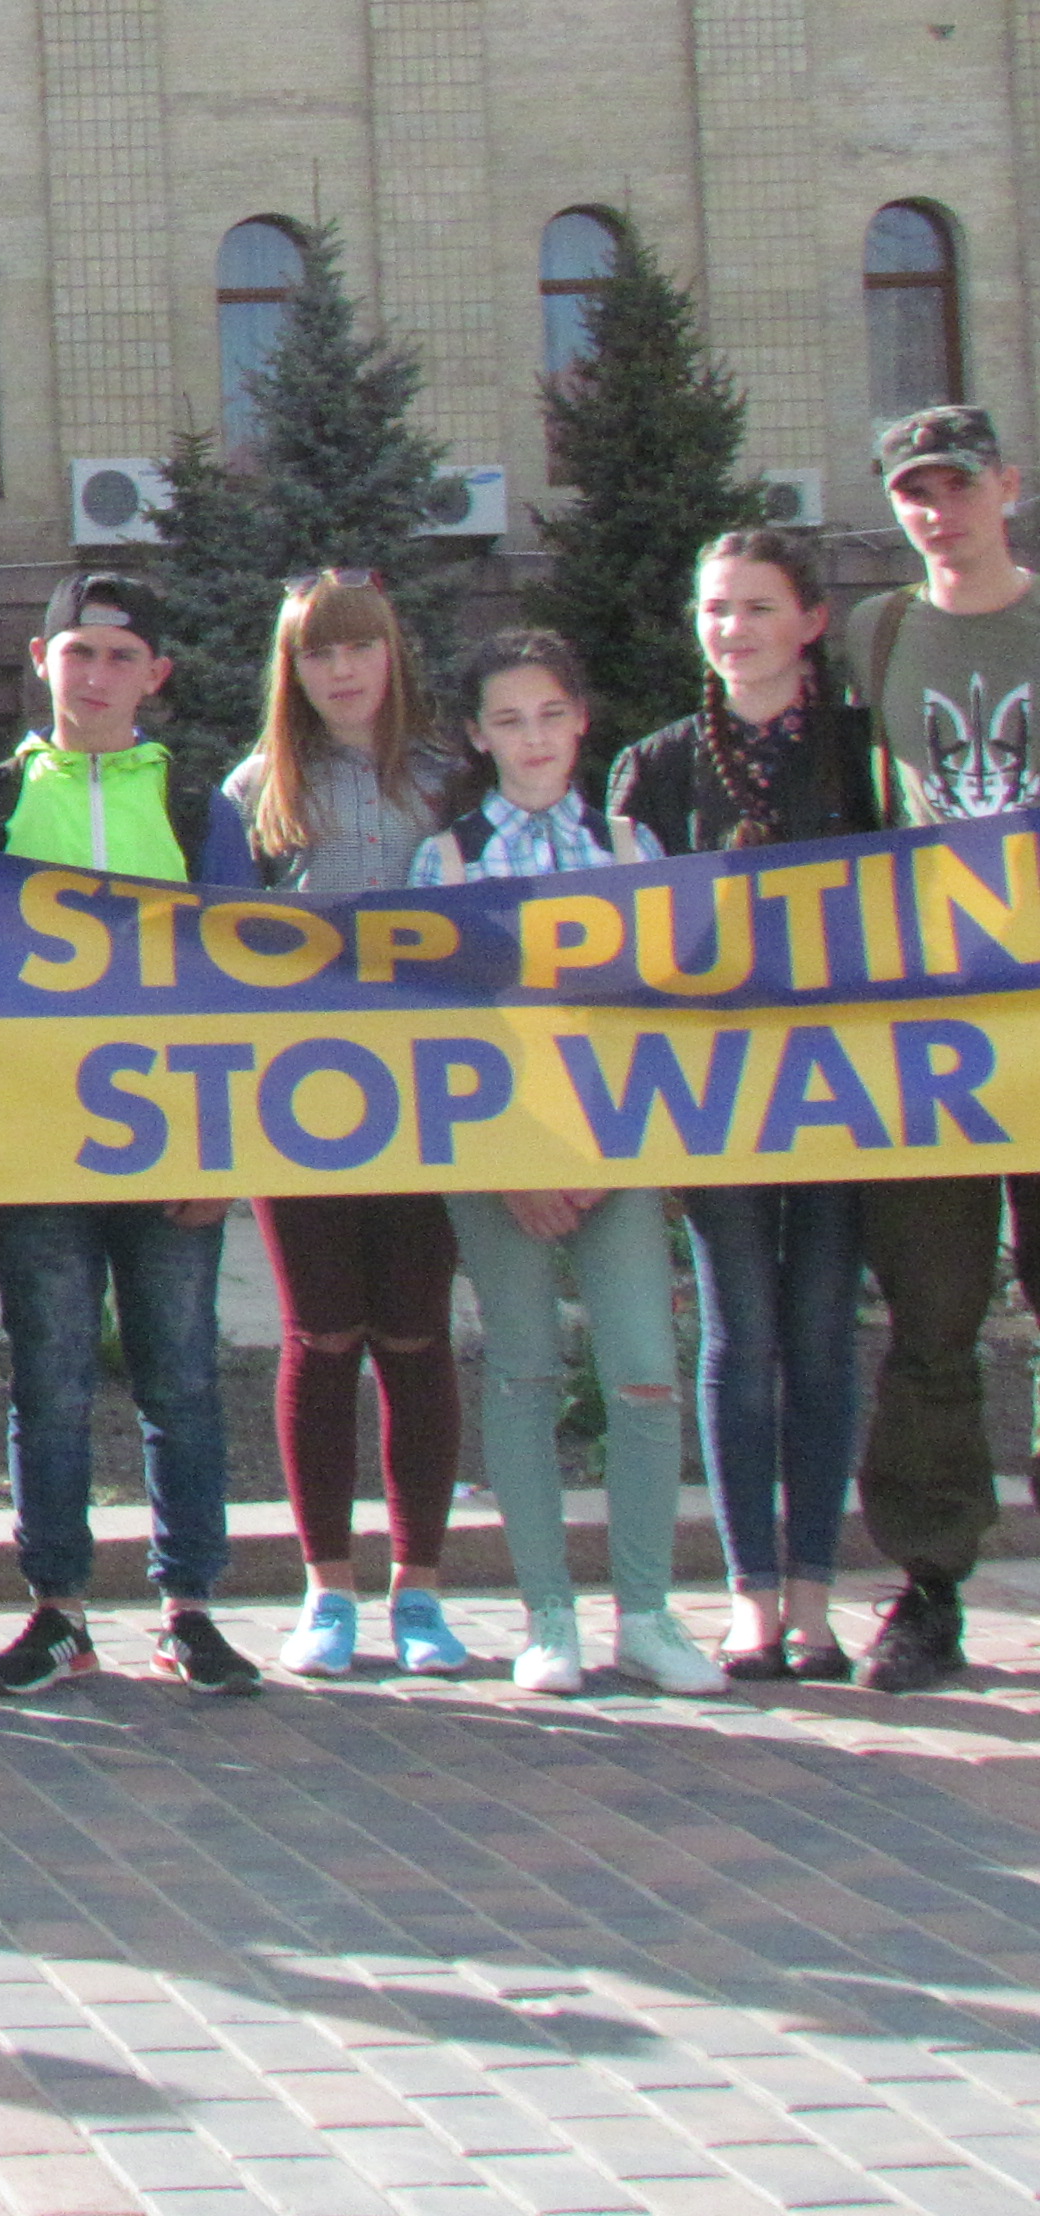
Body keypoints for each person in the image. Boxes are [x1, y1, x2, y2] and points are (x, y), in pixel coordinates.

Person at [0, 571, 266, 1699]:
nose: (95, 675)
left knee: (181, 1378)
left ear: (155, 677)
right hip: (35, 1142)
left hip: (169, 1140)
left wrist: (224, 1153)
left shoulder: (197, 810)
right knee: (48, 1381)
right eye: (76, 652)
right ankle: (58, 1609)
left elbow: (241, 980)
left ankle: (190, 1606)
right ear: (42, 663)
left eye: (119, 657)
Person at [410, 632, 709, 1697]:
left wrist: (609, 1154)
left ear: (581, 720)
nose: (532, 739)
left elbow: (666, 1015)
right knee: (524, 1371)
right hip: (501, 1164)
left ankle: (648, 1615)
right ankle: (548, 1617)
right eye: (508, 720)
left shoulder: (633, 848)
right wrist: (515, 1166)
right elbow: (435, 1037)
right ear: (477, 737)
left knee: (644, 1373)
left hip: (616, 1155)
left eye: (549, 715)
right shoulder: (445, 863)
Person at [616, 528, 880, 1686]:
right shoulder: (658, 768)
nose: (734, 628)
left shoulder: (865, 756)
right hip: (717, 1094)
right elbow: (624, 942)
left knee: (821, 1332)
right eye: (717, 608)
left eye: (759, 606)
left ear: (811, 621)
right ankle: (751, 1597)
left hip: (847, 1087)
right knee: (742, 1333)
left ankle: (815, 1595)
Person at [220, 574, 471, 1682]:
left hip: (428, 1100)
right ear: (293, 671)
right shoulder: (253, 792)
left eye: (360, 647)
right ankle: (328, 1588)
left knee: (414, 1337)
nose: (342, 670)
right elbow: (213, 947)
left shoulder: (447, 780)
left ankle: (422, 1589)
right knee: (320, 1337)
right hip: (299, 1105)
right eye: (319, 653)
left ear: (391, 654)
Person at [832, 404, 1040, 1692]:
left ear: (1006, 487)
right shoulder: (881, 633)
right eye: (914, 490)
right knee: (932, 1315)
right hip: (936, 1036)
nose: (936, 510)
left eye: (956, 485)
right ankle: (931, 1581)